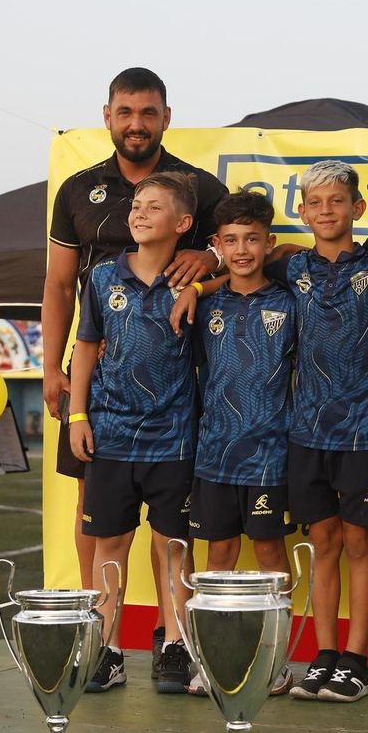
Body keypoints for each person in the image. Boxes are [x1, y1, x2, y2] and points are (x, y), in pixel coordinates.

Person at [44, 67, 226, 669]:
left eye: (148, 113)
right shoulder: (77, 190)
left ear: (166, 118)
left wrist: (212, 257)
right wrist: (54, 369)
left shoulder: (196, 187)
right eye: (126, 112)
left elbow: (255, 248)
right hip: (100, 385)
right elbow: (58, 285)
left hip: (175, 397)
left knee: (173, 528)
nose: (136, 124)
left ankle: (173, 641)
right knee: (96, 519)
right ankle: (99, 637)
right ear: (108, 116)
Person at [67, 172, 202, 696]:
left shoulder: (190, 282)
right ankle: (108, 649)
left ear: (183, 223)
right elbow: (84, 347)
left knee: (172, 544)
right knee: (111, 541)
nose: (139, 213)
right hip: (112, 434)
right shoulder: (102, 277)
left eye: (153, 206)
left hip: (175, 437)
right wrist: (78, 416)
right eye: (136, 206)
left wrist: (203, 276)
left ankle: (174, 645)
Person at [278, 161, 368, 704]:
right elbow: (239, 274)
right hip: (306, 431)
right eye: (315, 203)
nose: (326, 211)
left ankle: (356, 662)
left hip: (364, 430)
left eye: (337, 201)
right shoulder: (291, 268)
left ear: (357, 208)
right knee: (322, 542)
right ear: (302, 211)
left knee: (358, 541)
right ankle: (323, 657)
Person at [186, 190, 298, 696]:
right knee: (219, 557)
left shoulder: (290, 301)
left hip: (270, 456)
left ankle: (276, 662)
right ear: (217, 244)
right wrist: (201, 286)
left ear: (268, 242)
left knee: (271, 553)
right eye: (231, 240)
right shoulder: (206, 302)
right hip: (214, 454)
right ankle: (217, 660)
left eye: (252, 239)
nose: (243, 249)